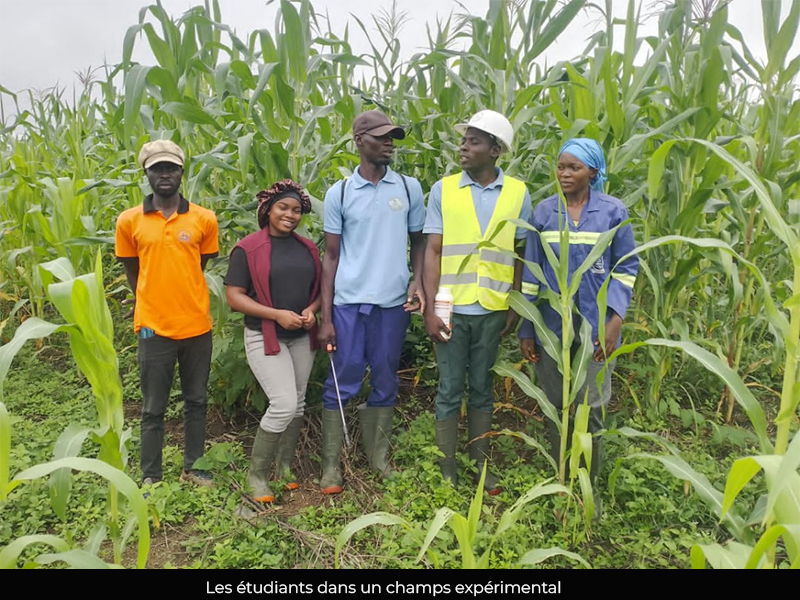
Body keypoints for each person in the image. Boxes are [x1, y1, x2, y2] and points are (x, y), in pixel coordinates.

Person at [317, 109, 426, 494]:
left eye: (393, 137)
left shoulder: (409, 188)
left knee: (385, 378)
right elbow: (330, 257)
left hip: (393, 304)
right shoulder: (340, 192)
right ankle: (332, 464)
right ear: (359, 141)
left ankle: (378, 458)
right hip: (347, 304)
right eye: (381, 137)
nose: (389, 143)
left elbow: (419, 244)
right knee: (342, 380)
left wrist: (418, 281)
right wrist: (325, 316)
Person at [422, 110, 531, 495]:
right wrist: (432, 308)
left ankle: (481, 462)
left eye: (473, 141)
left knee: (483, 387)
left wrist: (515, 305)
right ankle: (446, 466)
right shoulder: (444, 189)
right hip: (452, 307)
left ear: (495, 150)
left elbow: (520, 254)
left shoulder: (518, 193)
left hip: (494, 309)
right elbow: (432, 251)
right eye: (463, 140)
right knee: (450, 388)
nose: (463, 147)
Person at [518, 138, 638, 485]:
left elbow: (626, 269)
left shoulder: (613, 211)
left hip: (598, 329)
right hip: (551, 329)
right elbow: (530, 276)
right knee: (556, 407)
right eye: (561, 166)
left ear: (593, 172)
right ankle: (559, 477)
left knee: (592, 408)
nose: (565, 174)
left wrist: (615, 321)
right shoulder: (543, 212)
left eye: (574, 167)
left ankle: (588, 484)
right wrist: (528, 330)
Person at [115, 139, 219, 487]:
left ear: (181, 172)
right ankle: (151, 476)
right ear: (146, 173)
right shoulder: (129, 221)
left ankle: (195, 467)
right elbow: (134, 271)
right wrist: (150, 299)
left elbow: (198, 265)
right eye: (157, 168)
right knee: (152, 408)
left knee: (197, 401)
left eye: (171, 167)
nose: (164, 174)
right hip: (152, 328)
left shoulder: (204, 218)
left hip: (196, 326)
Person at [224, 180, 321, 504]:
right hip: (264, 336)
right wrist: (276, 314)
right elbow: (234, 298)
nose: (290, 215)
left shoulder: (308, 249)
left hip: (300, 337)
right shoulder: (248, 249)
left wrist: (310, 310)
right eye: (283, 207)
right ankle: (257, 475)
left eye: (296, 210)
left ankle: (285, 466)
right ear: (268, 209)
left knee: (298, 400)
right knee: (284, 403)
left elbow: (319, 292)